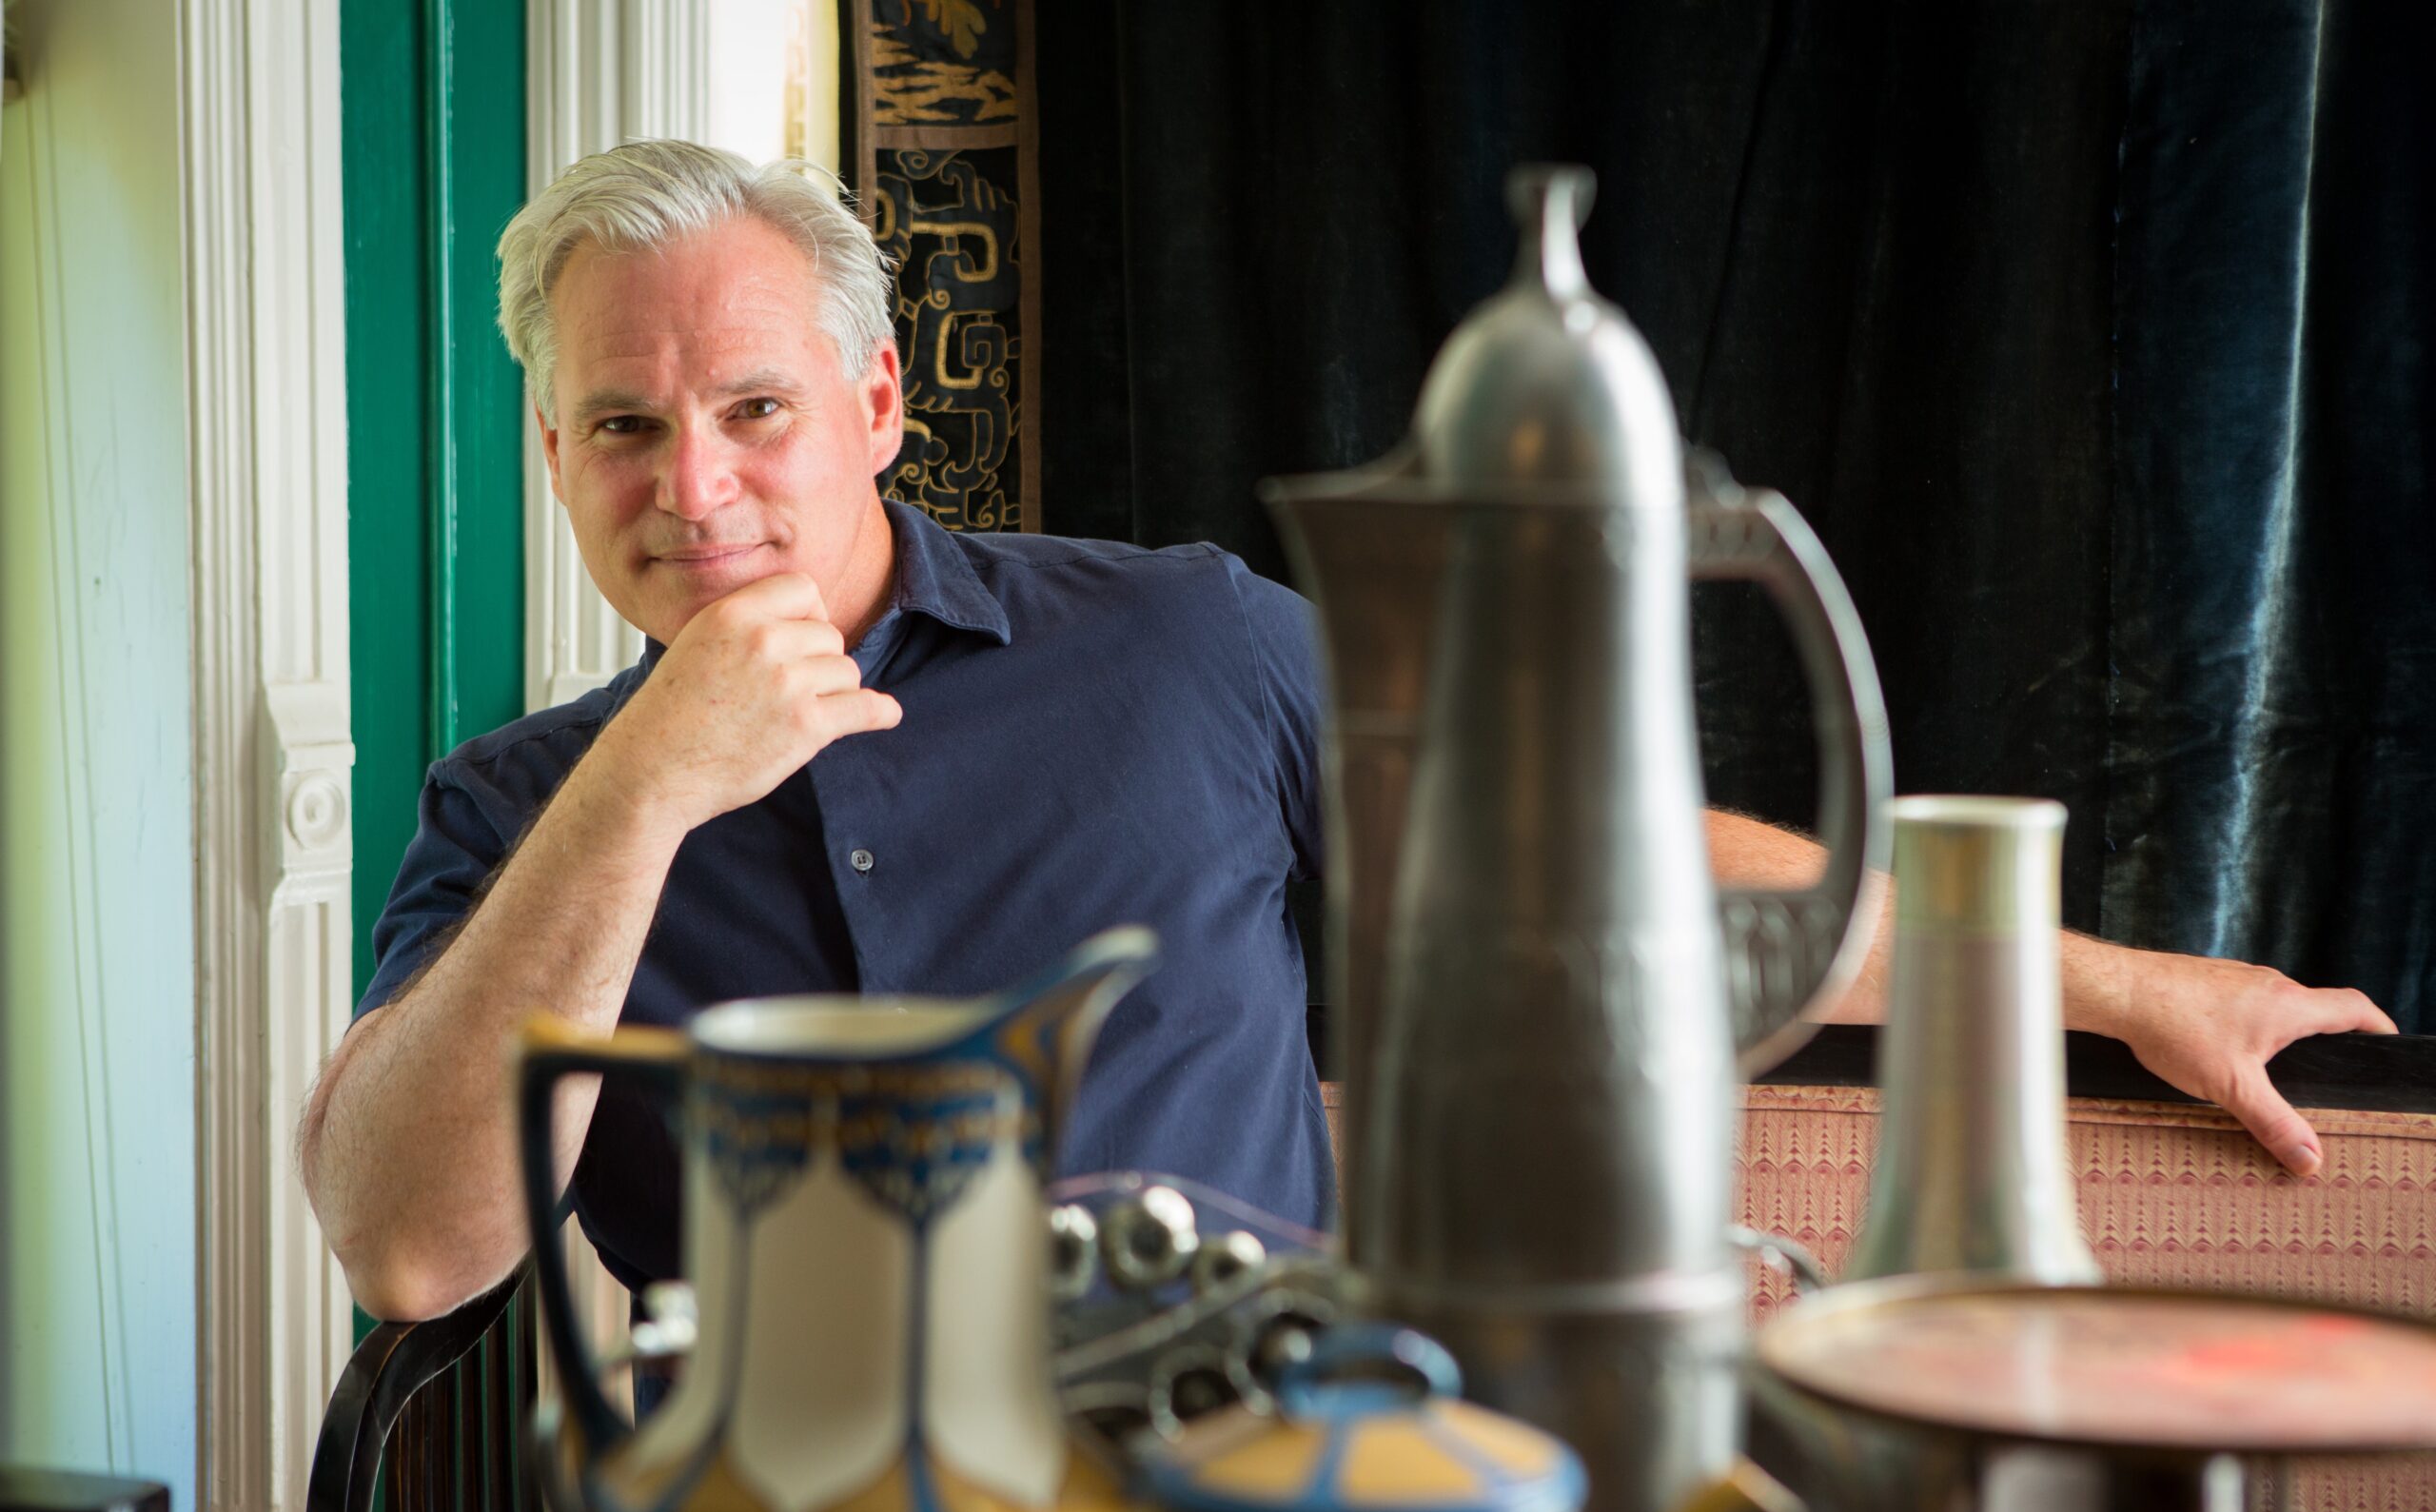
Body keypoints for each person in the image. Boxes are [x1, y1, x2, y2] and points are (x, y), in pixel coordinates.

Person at [299, 140, 2395, 1325]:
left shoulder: (1179, 643)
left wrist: (2116, 985)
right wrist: (650, 779)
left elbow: (1599, 869)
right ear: (554, 456)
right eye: (622, 427)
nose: (697, 482)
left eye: (754, 407)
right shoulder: (514, 809)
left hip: (1267, 1496)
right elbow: (413, 1244)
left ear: (870, 409)